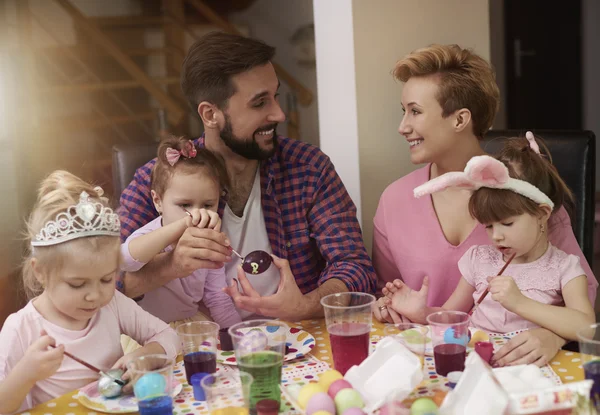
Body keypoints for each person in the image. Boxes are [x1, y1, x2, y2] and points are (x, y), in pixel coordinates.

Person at [118, 32, 376, 321]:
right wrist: (171, 266)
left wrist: (305, 305)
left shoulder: (309, 168)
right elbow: (103, 282)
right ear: (211, 114)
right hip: (202, 351)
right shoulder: (156, 182)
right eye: (259, 103)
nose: (279, 114)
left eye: (275, 96)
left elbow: (355, 267)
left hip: (296, 344)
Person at [372, 44, 598, 366]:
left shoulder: (523, 189)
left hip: (519, 366)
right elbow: (386, 291)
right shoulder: (394, 200)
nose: (403, 126)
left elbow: (583, 295)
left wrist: (553, 335)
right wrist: (388, 304)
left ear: (460, 119)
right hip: (430, 362)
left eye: (415, 111)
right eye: (403, 111)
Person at [383, 134, 595, 356]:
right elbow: (451, 314)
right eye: (489, 226)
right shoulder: (480, 260)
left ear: (542, 214)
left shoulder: (564, 268)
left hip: (527, 367)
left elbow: (585, 327)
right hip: (477, 360)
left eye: (507, 223)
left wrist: (520, 303)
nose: (496, 236)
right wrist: (422, 312)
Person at [0, 171, 179, 413]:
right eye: (77, 284)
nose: (95, 295)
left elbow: (170, 337)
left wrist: (144, 355)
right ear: (41, 272)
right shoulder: (21, 328)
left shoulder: (112, 303)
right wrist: (26, 373)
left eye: (106, 279)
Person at [120, 136, 241, 329]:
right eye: (185, 205)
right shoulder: (152, 233)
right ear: (158, 201)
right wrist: (182, 226)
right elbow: (125, 260)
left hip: (190, 326)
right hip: (147, 330)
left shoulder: (208, 243)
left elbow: (218, 299)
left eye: (208, 205)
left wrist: (241, 334)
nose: (197, 214)